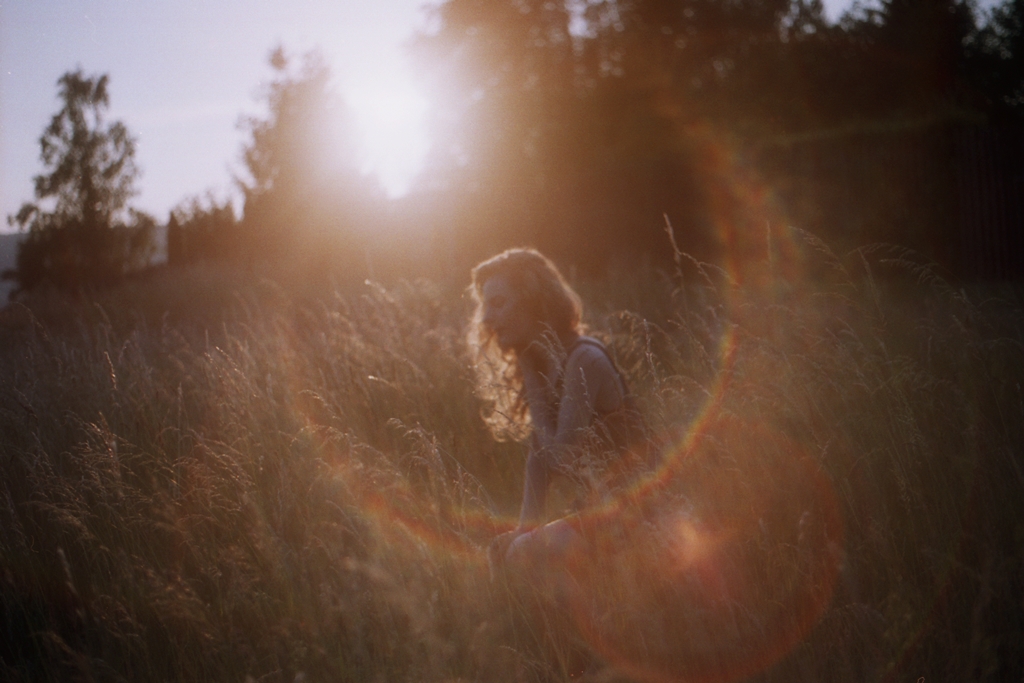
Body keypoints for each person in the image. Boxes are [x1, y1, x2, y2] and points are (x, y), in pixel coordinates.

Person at [467, 248, 653, 583]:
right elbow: (538, 461)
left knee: (523, 552)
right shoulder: (543, 363)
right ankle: (527, 618)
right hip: (599, 510)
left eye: (498, 303)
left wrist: (532, 384)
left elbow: (561, 457)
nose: (485, 318)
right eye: (485, 305)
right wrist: (525, 528)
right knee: (502, 549)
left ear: (534, 301)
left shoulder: (584, 359)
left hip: (639, 514)